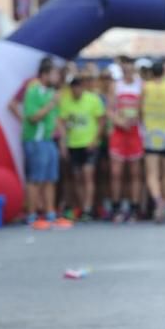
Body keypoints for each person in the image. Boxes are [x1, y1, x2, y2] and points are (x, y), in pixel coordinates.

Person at [22, 61, 70, 230]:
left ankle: (50, 214)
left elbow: (56, 119)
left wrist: (63, 141)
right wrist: (50, 104)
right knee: (35, 179)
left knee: (51, 178)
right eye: (54, 74)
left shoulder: (52, 93)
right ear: (44, 75)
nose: (57, 77)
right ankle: (32, 215)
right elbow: (32, 117)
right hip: (35, 140)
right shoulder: (33, 92)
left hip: (49, 141)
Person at [59, 76, 106, 222]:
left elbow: (101, 121)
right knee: (77, 177)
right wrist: (64, 142)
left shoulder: (93, 100)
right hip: (74, 144)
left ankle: (88, 208)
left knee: (88, 176)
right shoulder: (66, 101)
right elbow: (62, 122)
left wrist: (95, 140)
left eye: (78, 87)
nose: (76, 90)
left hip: (89, 144)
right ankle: (80, 206)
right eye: (73, 88)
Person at [141, 61, 165, 222]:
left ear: (151, 73)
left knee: (152, 174)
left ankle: (158, 201)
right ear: (164, 72)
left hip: (151, 135)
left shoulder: (145, 87)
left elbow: (139, 110)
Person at [108, 56, 145, 222]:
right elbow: (109, 109)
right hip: (119, 133)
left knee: (134, 173)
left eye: (128, 66)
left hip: (135, 132)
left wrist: (137, 118)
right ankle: (116, 207)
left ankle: (134, 207)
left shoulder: (141, 85)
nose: (126, 69)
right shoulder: (115, 85)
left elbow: (144, 108)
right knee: (117, 173)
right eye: (123, 67)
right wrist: (119, 121)